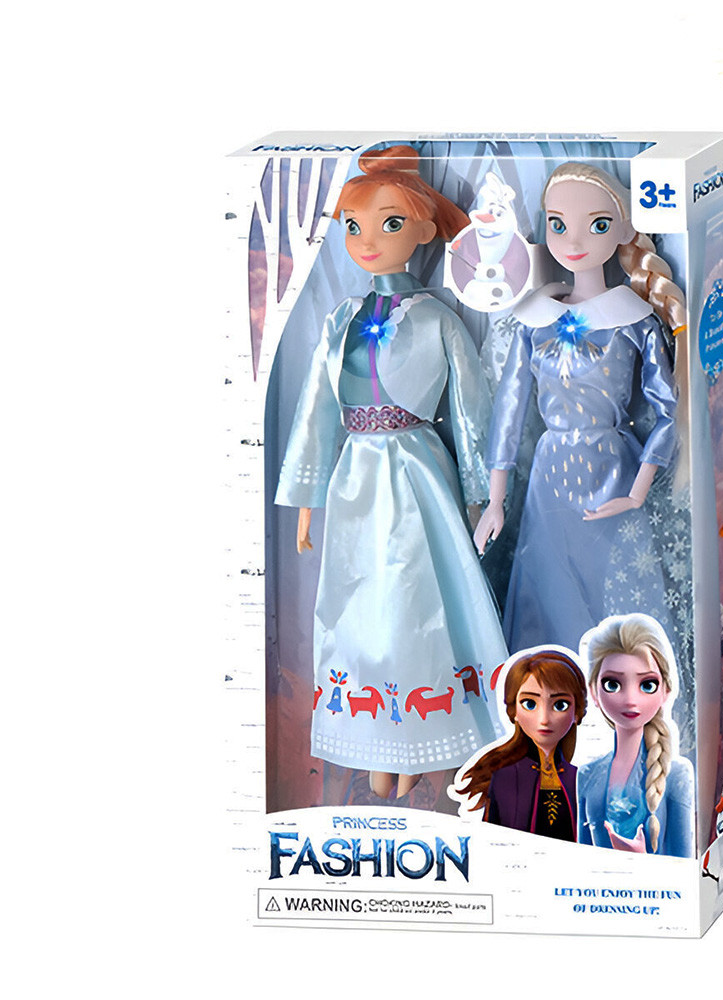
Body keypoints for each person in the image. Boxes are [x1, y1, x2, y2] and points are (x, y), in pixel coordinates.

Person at [275, 146, 506, 799]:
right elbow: (317, 410)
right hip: (356, 478)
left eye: (390, 224)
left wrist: (481, 496)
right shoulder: (341, 320)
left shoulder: (436, 318)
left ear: (426, 230)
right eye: (353, 227)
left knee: (416, 601)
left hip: (417, 475)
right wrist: (307, 497)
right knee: (358, 608)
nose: (368, 241)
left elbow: (472, 411)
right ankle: (380, 745)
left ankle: (421, 748)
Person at [474, 162, 686, 652]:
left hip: (613, 471)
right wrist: (496, 500)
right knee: (549, 590)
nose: (573, 240)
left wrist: (636, 493)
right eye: (557, 223)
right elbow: (510, 410)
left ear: (625, 230)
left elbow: (667, 411)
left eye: (597, 224)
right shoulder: (535, 321)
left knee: (618, 594)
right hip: (549, 476)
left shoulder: (632, 320)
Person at [577, 613, 694, 856]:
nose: (631, 699)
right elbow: (582, 856)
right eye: (612, 684)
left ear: (665, 691)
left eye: (647, 685)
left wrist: (641, 862)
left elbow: (682, 863)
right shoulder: (587, 775)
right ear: (594, 692)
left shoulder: (676, 774)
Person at [452, 650, 587, 840]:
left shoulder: (580, 779)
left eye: (560, 705)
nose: (544, 719)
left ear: (577, 713)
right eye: (530, 704)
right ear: (513, 710)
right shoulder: (505, 777)